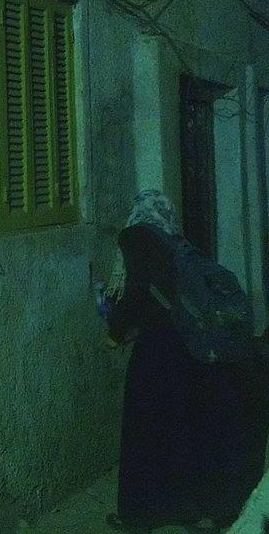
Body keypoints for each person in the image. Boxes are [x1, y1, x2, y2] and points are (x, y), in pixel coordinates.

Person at [97, 190, 269, 533]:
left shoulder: (137, 236)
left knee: (143, 429)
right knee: (179, 427)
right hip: (188, 349)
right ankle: (183, 508)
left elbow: (138, 292)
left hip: (157, 349)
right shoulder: (174, 241)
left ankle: (139, 514)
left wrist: (116, 330)